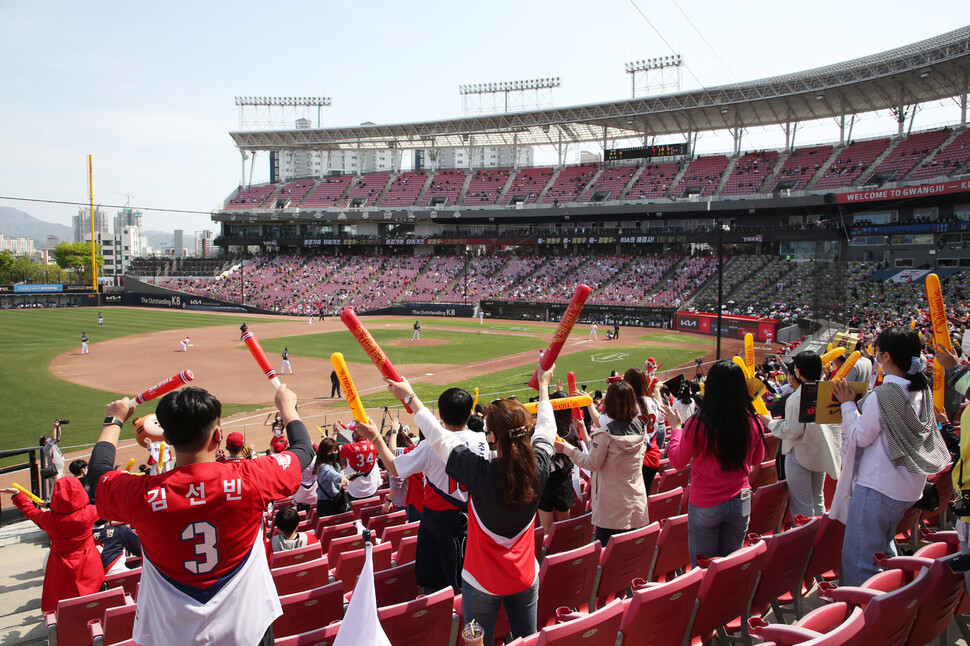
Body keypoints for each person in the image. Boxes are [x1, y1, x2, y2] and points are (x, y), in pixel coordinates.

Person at [88, 384, 313, 646]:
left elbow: (98, 476)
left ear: (167, 439)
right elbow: (303, 451)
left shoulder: (142, 495)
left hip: (171, 633)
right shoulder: (251, 478)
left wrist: (113, 420)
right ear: (218, 435)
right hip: (249, 628)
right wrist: (288, 409)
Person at [377, 365, 556, 646]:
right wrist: (544, 387)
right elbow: (547, 429)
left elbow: (439, 438)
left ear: (494, 438)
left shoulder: (479, 474)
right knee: (527, 640)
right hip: (525, 576)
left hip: (481, 581)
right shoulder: (541, 467)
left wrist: (411, 397)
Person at [832, 327, 950, 586]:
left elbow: (860, 437)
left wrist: (848, 405)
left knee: (859, 559)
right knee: (883, 550)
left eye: (877, 352)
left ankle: (866, 613)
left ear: (885, 357)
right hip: (907, 489)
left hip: (878, 487)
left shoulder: (884, 395)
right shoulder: (922, 388)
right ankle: (890, 595)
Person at [364, 387, 488, 593]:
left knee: (435, 586)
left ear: (440, 415)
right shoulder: (484, 441)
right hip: (476, 520)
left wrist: (377, 438)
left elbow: (395, 468)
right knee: (473, 580)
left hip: (437, 525)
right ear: (470, 414)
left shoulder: (430, 445)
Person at [663, 360, 766, 566]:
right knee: (730, 567)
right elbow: (757, 460)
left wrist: (676, 428)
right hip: (740, 502)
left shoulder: (698, 423)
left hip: (706, 504)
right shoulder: (752, 420)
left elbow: (677, 461)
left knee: (703, 570)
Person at [559, 380, 649, 547]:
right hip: (636, 504)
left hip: (611, 510)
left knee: (611, 561)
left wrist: (568, 449)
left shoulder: (605, 435)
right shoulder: (640, 427)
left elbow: (591, 463)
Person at [1, 477, 104, 613]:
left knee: (63, 597)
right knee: (95, 596)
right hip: (88, 559)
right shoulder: (90, 512)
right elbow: (108, 505)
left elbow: (31, 512)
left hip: (60, 563)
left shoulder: (49, 519)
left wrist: (17, 495)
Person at [767, 351, 841, 517]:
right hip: (820, 451)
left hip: (799, 454)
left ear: (798, 372)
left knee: (803, 506)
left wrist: (770, 422)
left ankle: (806, 541)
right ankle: (820, 540)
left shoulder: (797, 396)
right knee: (817, 500)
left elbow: (792, 430)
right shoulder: (828, 390)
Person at [538, 391, 579, 534]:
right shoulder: (571, 429)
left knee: (546, 531)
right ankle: (564, 555)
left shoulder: (541, 431)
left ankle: (549, 555)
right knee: (564, 528)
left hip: (545, 481)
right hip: (563, 480)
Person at [339, 424, 381, 500]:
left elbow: (331, 449)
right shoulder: (374, 444)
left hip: (354, 491)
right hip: (371, 489)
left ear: (356, 435)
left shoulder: (349, 448)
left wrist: (334, 434)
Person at [314, 438, 351, 517]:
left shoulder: (336, 465)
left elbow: (339, 480)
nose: (333, 453)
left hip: (339, 500)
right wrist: (341, 478)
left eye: (335, 450)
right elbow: (332, 474)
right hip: (327, 504)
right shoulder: (323, 467)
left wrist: (348, 478)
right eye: (330, 451)